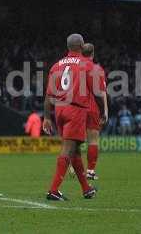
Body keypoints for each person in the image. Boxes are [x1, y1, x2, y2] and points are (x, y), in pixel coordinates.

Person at [43, 33, 107, 201]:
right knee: (67, 149)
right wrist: (102, 110)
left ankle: (86, 189)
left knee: (75, 151)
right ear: (82, 45)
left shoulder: (57, 65)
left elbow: (49, 94)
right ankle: (53, 190)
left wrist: (47, 117)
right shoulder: (87, 64)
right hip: (75, 110)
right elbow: (98, 92)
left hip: (59, 110)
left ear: (68, 46)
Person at [82, 43, 107, 180]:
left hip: (76, 107)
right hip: (92, 107)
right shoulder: (97, 69)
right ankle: (90, 171)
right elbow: (101, 92)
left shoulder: (75, 67)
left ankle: (74, 166)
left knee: (74, 140)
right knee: (93, 140)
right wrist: (105, 111)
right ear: (93, 53)